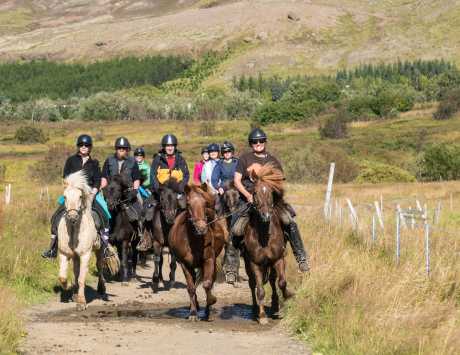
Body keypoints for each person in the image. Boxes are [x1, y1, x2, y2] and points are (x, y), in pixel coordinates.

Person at [232, 128, 310, 272]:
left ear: (265, 142)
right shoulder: (244, 158)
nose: (258, 143)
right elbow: (237, 181)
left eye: (261, 141)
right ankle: (232, 266)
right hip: (249, 200)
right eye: (255, 141)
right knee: (236, 229)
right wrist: (248, 195)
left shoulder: (272, 160)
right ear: (251, 143)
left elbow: (280, 180)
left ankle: (301, 258)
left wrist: (271, 194)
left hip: (271, 202)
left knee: (290, 222)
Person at [42, 134, 110, 259]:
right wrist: (69, 189)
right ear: (78, 147)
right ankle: (52, 248)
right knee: (55, 217)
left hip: (89, 195)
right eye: (81, 145)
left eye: (87, 145)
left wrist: (93, 193)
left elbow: (97, 180)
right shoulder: (71, 160)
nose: (84, 147)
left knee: (104, 215)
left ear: (90, 148)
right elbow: (65, 176)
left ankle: (105, 247)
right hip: (72, 194)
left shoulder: (94, 163)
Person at [211, 141, 241, 285]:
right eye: (225, 152)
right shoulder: (219, 164)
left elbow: (243, 176)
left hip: (237, 190)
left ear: (232, 152)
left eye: (229, 151)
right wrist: (218, 187)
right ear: (223, 154)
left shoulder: (238, 162)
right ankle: (214, 226)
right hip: (223, 191)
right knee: (214, 205)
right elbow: (214, 179)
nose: (227, 153)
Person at [100, 137, 142, 226]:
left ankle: (141, 231)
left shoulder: (132, 161)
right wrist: (103, 189)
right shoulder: (109, 160)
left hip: (128, 193)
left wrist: (135, 190)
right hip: (112, 193)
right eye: (119, 148)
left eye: (124, 148)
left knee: (140, 206)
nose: (121, 150)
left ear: (127, 149)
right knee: (102, 211)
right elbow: (104, 177)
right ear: (116, 149)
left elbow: (136, 178)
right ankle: (104, 232)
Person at [149, 134, 190, 208]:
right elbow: (153, 175)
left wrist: (181, 187)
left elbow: (186, 175)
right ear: (164, 147)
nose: (170, 148)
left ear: (175, 147)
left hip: (177, 191)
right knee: (149, 212)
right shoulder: (157, 159)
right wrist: (158, 189)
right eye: (168, 146)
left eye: (172, 146)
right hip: (161, 191)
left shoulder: (181, 159)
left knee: (186, 207)